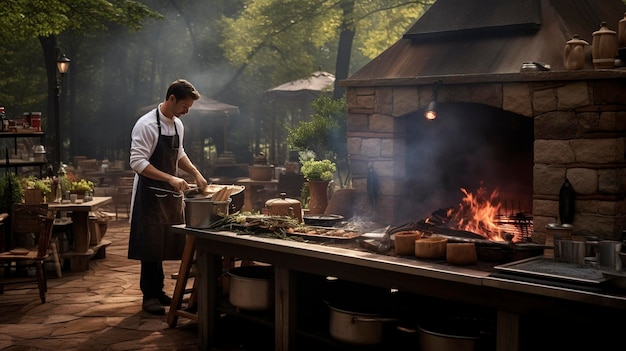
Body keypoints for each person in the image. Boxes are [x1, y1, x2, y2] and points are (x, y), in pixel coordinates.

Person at [127, 79, 208, 315]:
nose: (187, 111)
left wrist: (195, 172)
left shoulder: (177, 125)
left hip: (169, 195)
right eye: (185, 105)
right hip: (149, 194)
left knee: (163, 242)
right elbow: (137, 162)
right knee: (150, 245)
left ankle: (159, 291)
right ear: (171, 99)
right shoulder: (146, 125)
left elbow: (179, 153)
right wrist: (171, 178)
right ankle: (149, 296)